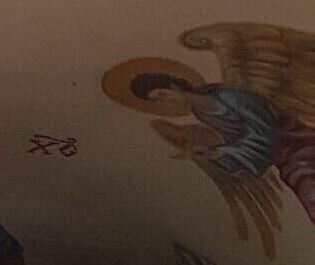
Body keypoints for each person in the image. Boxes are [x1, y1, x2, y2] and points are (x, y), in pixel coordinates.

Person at [128, 71, 315, 227]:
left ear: (174, 86)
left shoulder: (227, 95)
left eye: (162, 94)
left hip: (299, 145)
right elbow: (241, 141)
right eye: (157, 101)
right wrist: (216, 153)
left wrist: (226, 152)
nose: (164, 101)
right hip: (286, 160)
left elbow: (266, 131)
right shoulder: (202, 115)